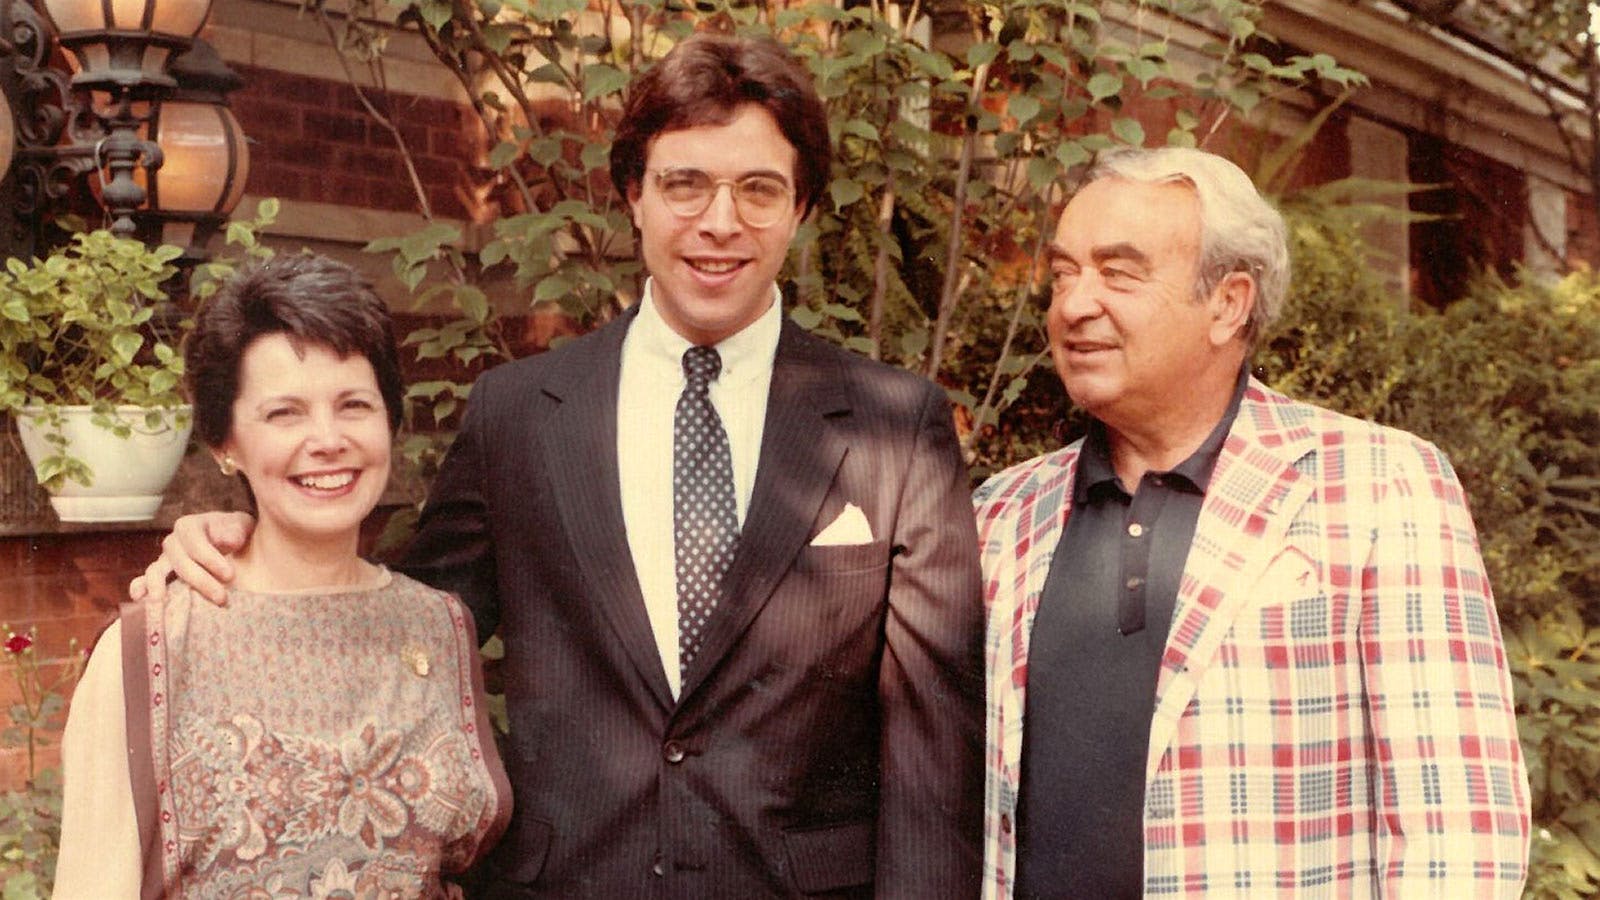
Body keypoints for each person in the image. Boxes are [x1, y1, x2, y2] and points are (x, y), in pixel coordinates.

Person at [132, 33, 984, 899]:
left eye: (758, 190)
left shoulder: (893, 425)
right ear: (634, 197)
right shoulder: (518, 418)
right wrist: (251, 536)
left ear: (800, 208)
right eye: (684, 184)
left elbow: (932, 751)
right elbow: (395, 627)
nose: (720, 222)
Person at [975, 147, 1530, 898]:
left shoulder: (1378, 487)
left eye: (1119, 273)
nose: (1073, 304)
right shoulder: (1000, 514)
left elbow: (1459, 833)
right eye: (1065, 272)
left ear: (1230, 302)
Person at [55, 253, 512, 897]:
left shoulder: (438, 626)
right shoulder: (152, 647)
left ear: (390, 421)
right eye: (284, 413)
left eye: (354, 404)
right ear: (223, 442)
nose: (327, 439)